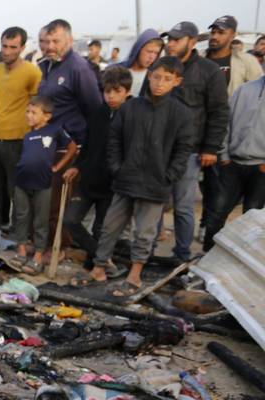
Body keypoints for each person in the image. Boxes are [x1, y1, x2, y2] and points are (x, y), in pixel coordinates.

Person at [92, 56, 194, 288]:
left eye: (167, 79)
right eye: (156, 77)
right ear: (149, 76)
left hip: (155, 184)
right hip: (125, 180)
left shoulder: (181, 114)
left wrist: (168, 176)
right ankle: (98, 267)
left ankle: (135, 273)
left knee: (145, 233)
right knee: (109, 227)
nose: (160, 83)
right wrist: (117, 168)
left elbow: (183, 149)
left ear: (176, 82)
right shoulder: (130, 108)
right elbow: (114, 140)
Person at [161, 21, 228, 262]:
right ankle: (146, 252)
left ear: (191, 41)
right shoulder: (162, 67)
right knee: (155, 201)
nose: (171, 44)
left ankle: (182, 255)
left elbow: (219, 112)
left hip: (189, 150)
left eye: (176, 40)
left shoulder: (208, 71)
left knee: (183, 205)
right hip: (158, 149)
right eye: (169, 39)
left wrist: (211, 148)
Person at [63, 66, 131, 270]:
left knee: (101, 228)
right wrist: (77, 166)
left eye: (116, 91)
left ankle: (96, 263)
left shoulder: (132, 114)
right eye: (107, 91)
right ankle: (102, 258)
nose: (111, 96)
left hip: (113, 184)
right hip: (88, 180)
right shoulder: (98, 113)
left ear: (126, 91)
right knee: (70, 220)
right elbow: (88, 145)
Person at [0, 27, 42, 232]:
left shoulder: (32, 73)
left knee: (15, 192)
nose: (7, 51)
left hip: (17, 140)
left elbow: (38, 107)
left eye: (13, 47)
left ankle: (20, 235)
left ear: (23, 47)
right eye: (4, 46)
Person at [13, 96, 77, 270]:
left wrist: (58, 167)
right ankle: (21, 251)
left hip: (43, 183)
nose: (29, 115)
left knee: (41, 219)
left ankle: (39, 254)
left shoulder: (55, 130)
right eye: (27, 111)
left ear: (47, 116)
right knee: (21, 216)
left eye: (34, 112)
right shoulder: (27, 135)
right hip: (22, 181)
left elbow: (72, 148)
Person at [204, 75, 265, 249]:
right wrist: (224, 157)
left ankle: (242, 263)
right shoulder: (245, 89)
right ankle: (207, 257)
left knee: (252, 220)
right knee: (216, 213)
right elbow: (225, 122)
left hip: (261, 169)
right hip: (232, 164)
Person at [38, 20, 102, 144]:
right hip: (49, 141)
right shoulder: (45, 64)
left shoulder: (79, 68)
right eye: (47, 41)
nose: (50, 46)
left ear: (70, 41)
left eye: (56, 41)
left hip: (73, 144)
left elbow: (95, 109)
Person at [206, 16, 263, 97]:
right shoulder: (198, 59)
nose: (214, 37)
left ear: (233, 35)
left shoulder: (247, 61)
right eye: (213, 32)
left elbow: (259, 92)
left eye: (221, 33)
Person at [117, 29, 163, 97]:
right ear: (138, 49)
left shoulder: (156, 77)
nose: (152, 57)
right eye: (149, 51)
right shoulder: (117, 71)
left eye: (156, 53)